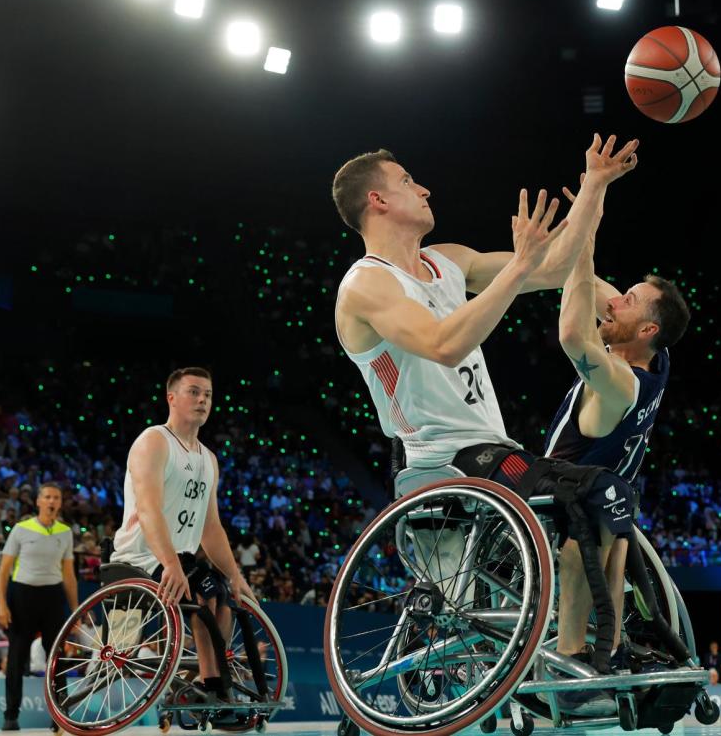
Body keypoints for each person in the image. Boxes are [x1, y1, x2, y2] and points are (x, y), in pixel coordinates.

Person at [331, 136, 662, 686]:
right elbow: (443, 344)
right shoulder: (366, 285)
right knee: (594, 489)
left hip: (491, 455)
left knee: (608, 498)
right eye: (409, 180)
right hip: (439, 458)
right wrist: (520, 266)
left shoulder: (449, 261)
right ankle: (581, 659)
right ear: (377, 200)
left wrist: (593, 189)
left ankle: (604, 648)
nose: (424, 187)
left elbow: (555, 265)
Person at [544, 164, 689, 665]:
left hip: (561, 489)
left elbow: (570, 336)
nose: (613, 303)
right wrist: (592, 200)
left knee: (595, 529)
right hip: (607, 500)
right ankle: (609, 646)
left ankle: (572, 651)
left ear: (647, 328)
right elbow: (588, 278)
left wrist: (583, 231)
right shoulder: (659, 357)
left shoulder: (620, 380)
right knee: (611, 522)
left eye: (626, 302)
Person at [110, 368, 255, 705]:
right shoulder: (154, 441)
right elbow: (148, 510)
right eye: (194, 392)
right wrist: (170, 562)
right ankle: (214, 683)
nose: (203, 399)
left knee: (222, 593)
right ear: (171, 398)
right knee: (205, 594)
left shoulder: (209, 459)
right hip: (142, 556)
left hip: (182, 559)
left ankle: (215, 687)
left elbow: (210, 527)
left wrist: (236, 575)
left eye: (207, 394)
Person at [0, 483, 77, 731]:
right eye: (48, 497)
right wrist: (1, 604)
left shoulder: (66, 532)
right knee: (17, 658)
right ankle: (11, 715)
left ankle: (60, 716)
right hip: (22, 596)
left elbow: (69, 575)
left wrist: (75, 610)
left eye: (56, 497)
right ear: (38, 502)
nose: (52, 501)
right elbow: (3, 571)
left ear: (60, 503)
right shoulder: (21, 529)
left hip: (53, 597)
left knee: (56, 659)